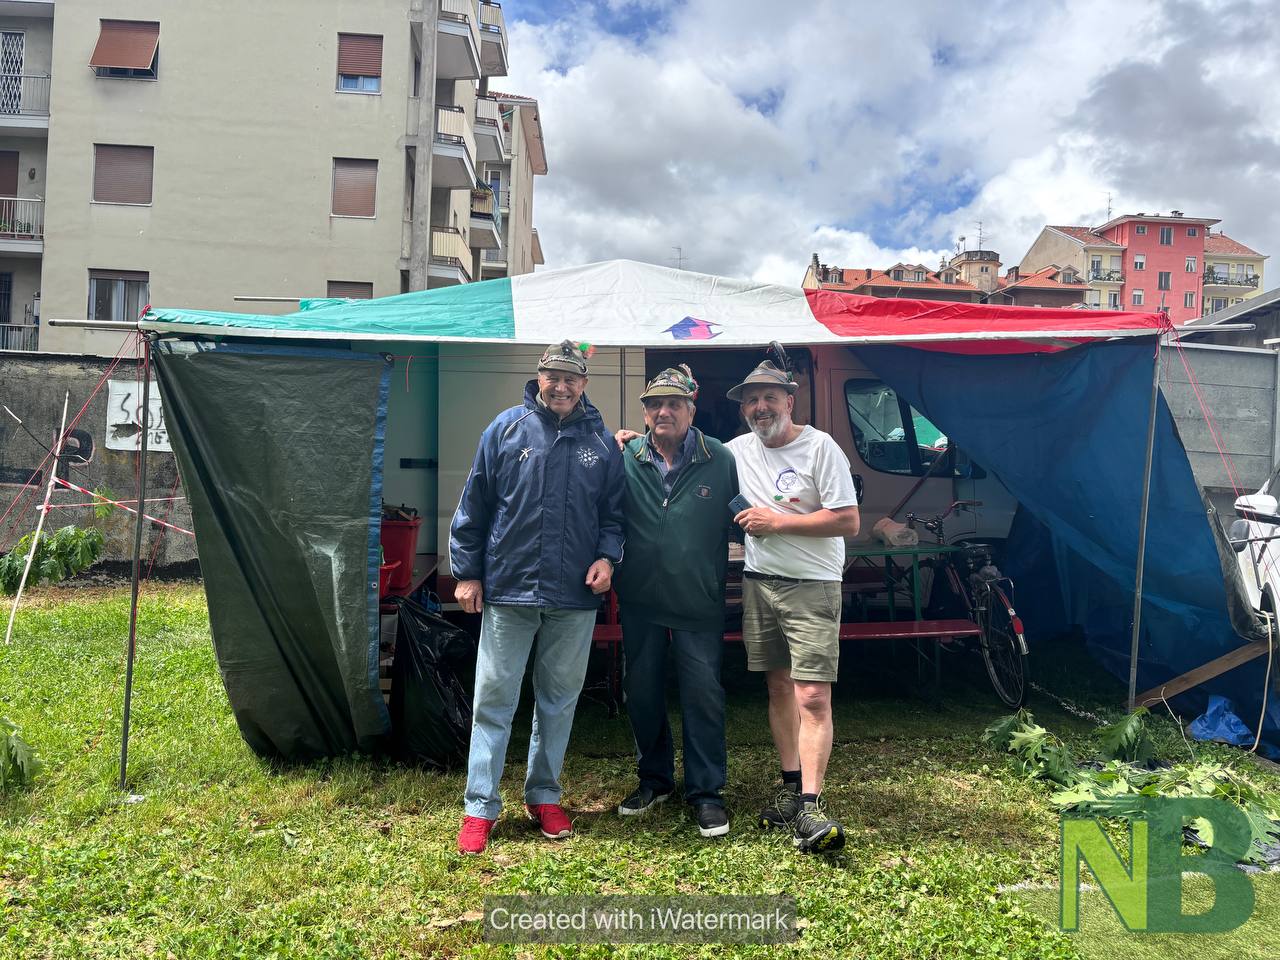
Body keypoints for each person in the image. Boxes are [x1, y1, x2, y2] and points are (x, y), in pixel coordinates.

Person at [449, 340, 626, 855]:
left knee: (558, 700)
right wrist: (467, 574)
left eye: (572, 378)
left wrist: (607, 558)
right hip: (509, 590)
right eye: (553, 375)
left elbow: (613, 517)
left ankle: (543, 793)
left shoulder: (601, 442)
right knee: (495, 699)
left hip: (574, 596)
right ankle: (480, 805)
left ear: (584, 384)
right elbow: (474, 505)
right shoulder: (504, 429)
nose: (562, 386)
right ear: (539, 375)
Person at [726, 360, 860, 855]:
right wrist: (633, 438)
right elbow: (685, 451)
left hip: (812, 585)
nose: (760, 407)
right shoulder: (737, 450)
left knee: (812, 697)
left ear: (790, 400)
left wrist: (776, 523)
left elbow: (847, 521)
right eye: (751, 400)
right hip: (760, 583)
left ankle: (810, 803)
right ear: (744, 408)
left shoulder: (821, 447)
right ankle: (788, 786)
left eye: (769, 397)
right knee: (778, 685)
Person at [611, 366, 738, 838]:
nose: (663, 412)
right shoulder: (626, 455)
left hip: (697, 599)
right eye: (654, 405)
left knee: (703, 694)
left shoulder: (720, 459)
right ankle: (655, 780)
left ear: (692, 409)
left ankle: (706, 793)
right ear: (644, 412)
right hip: (640, 598)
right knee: (640, 691)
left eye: (674, 404)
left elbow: (748, 513)